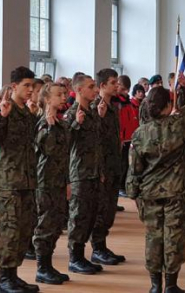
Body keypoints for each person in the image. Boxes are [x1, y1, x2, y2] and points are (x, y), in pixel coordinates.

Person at [128, 71, 185, 293]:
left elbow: (134, 169)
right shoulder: (178, 124)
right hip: (177, 194)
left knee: (153, 239)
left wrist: (133, 194)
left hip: (149, 195)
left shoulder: (140, 134)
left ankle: (155, 285)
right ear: (168, 106)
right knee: (174, 239)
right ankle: (171, 285)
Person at [0, 66, 40, 293]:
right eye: (26, 86)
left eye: (32, 86)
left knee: (24, 229)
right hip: (8, 182)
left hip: (26, 180)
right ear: (14, 86)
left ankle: (14, 276)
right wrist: (2, 117)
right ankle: (4, 280)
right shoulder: (3, 110)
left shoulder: (27, 112)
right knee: (10, 229)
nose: (30, 90)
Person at [65, 74, 105, 275]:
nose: (96, 90)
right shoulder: (72, 114)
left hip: (93, 173)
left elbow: (97, 144)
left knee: (90, 216)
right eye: (91, 87)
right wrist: (75, 125)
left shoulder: (92, 113)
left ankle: (82, 256)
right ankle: (75, 258)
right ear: (79, 90)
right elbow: (64, 144)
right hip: (79, 173)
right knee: (78, 217)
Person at [32, 82, 72, 285]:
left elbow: (65, 155)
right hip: (45, 181)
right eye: (59, 94)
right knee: (46, 224)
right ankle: (42, 267)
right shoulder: (42, 123)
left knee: (56, 223)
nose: (64, 97)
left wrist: (67, 181)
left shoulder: (61, 122)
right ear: (47, 99)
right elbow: (46, 150)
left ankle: (48, 265)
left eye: (65, 94)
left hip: (58, 179)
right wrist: (49, 127)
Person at [90, 68, 126, 265]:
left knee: (110, 208)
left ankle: (102, 245)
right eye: (113, 82)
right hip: (102, 168)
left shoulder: (112, 107)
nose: (117, 86)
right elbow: (95, 142)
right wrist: (100, 169)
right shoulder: (97, 108)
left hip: (113, 165)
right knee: (101, 209)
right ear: (102, 85)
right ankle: (97, 247)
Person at [117, 75, 139, 198]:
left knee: (126, 163)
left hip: (129, 137)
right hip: (122, 138)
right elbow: (119, 121)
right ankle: (120, 187)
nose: (125, 91)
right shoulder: (117, 102)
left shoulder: (127, 102)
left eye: (127, 89)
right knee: (122, 164)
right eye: (123, 88)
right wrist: (120, 137)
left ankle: (123, 185)